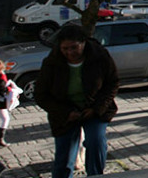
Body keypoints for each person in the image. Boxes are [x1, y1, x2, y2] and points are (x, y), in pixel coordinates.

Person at [33, 24, 120, 178]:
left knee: (95, 142)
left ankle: (96, 175)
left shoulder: (100, 56)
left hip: (94, 109)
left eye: (74, 48)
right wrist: (65, 112)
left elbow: (112, 83)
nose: (70, 52)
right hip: (64, 111)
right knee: (64, 153)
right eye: (65, 49)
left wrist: (96, 109)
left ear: (83, 43)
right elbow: (41, 94)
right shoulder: (52, 62)